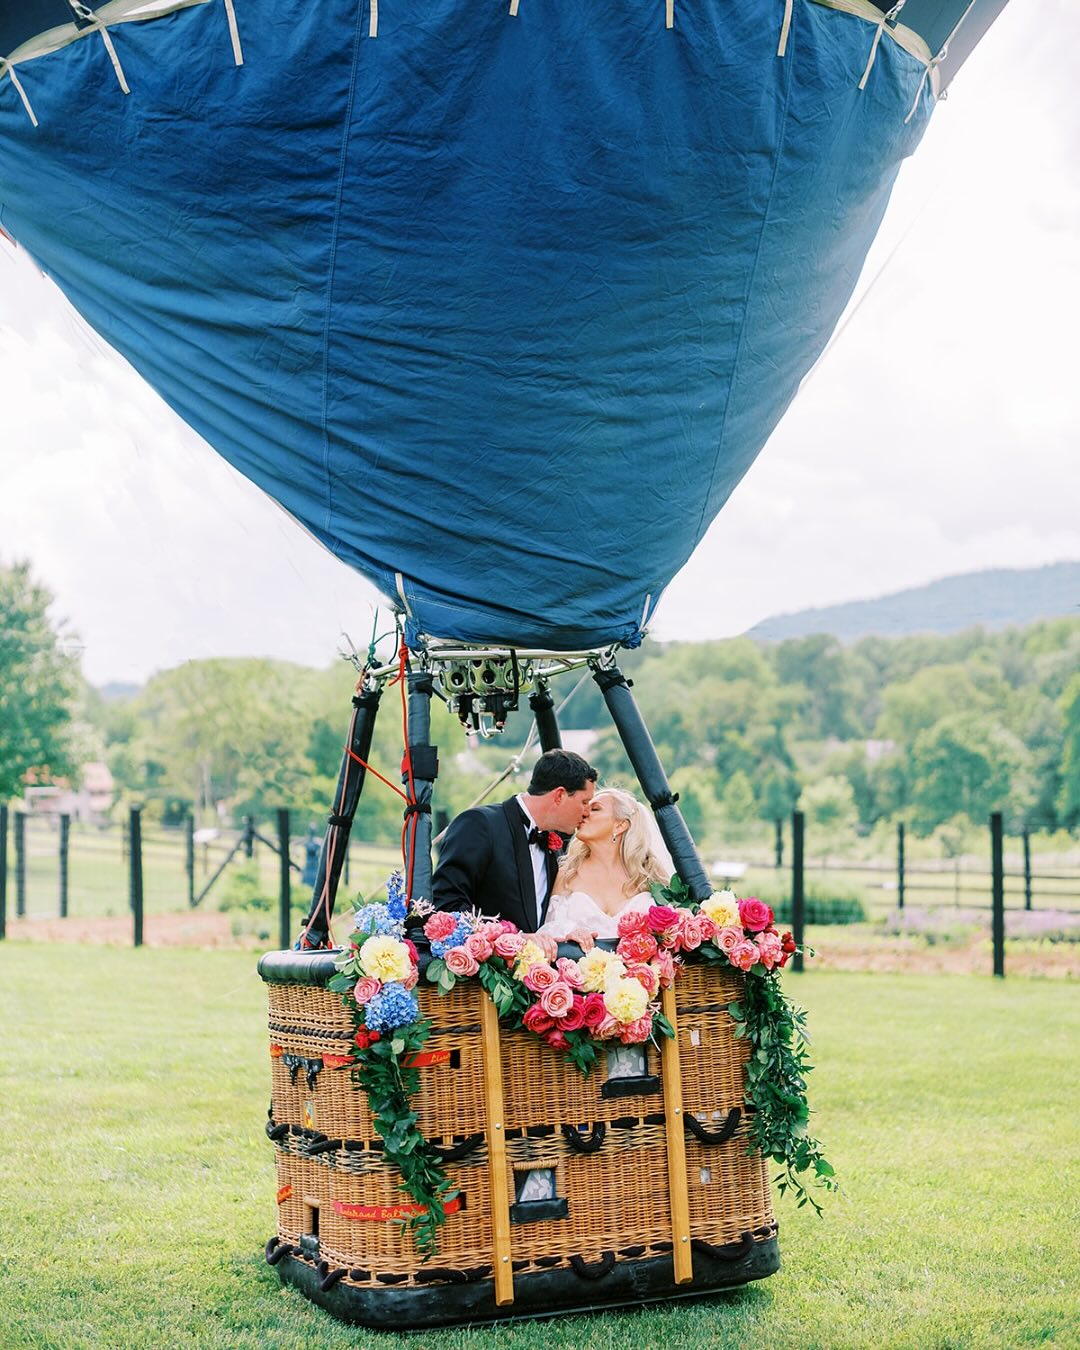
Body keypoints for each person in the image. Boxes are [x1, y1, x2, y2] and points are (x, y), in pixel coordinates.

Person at [431, 748, 597, 931]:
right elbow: (446, 903)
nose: (587, 811)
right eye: (584, 802)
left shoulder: (555, 843)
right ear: (560, 795)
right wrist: (508, 938)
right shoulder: (479, 824)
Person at [537, 787, 671, 949]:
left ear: (620, 825)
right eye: (585, 807)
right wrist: (568, 931)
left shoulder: (650, 873)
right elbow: (546, 932)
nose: (584, 813)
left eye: (595, 809)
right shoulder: (568, 872)